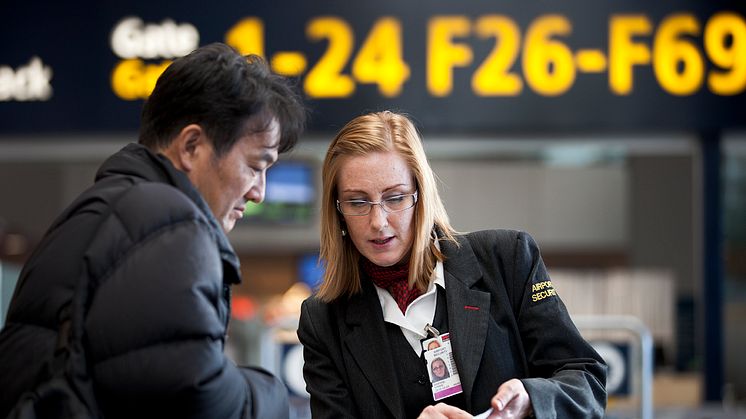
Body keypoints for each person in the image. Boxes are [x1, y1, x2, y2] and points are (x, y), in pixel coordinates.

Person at [0, 43, 305, 419]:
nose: (259, 192)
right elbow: (195, 400)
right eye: (256, 165)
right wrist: (272, 395)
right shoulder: (166, 221)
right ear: (192, 146)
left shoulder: (100, 212)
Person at [297, 111, 607, 419]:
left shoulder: (507, 261)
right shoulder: (323, 321)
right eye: (358, 202)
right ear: (337, 211)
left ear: (422, 196)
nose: (378, 222)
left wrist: (531, 400)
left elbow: (586, 381)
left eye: (395, 198)